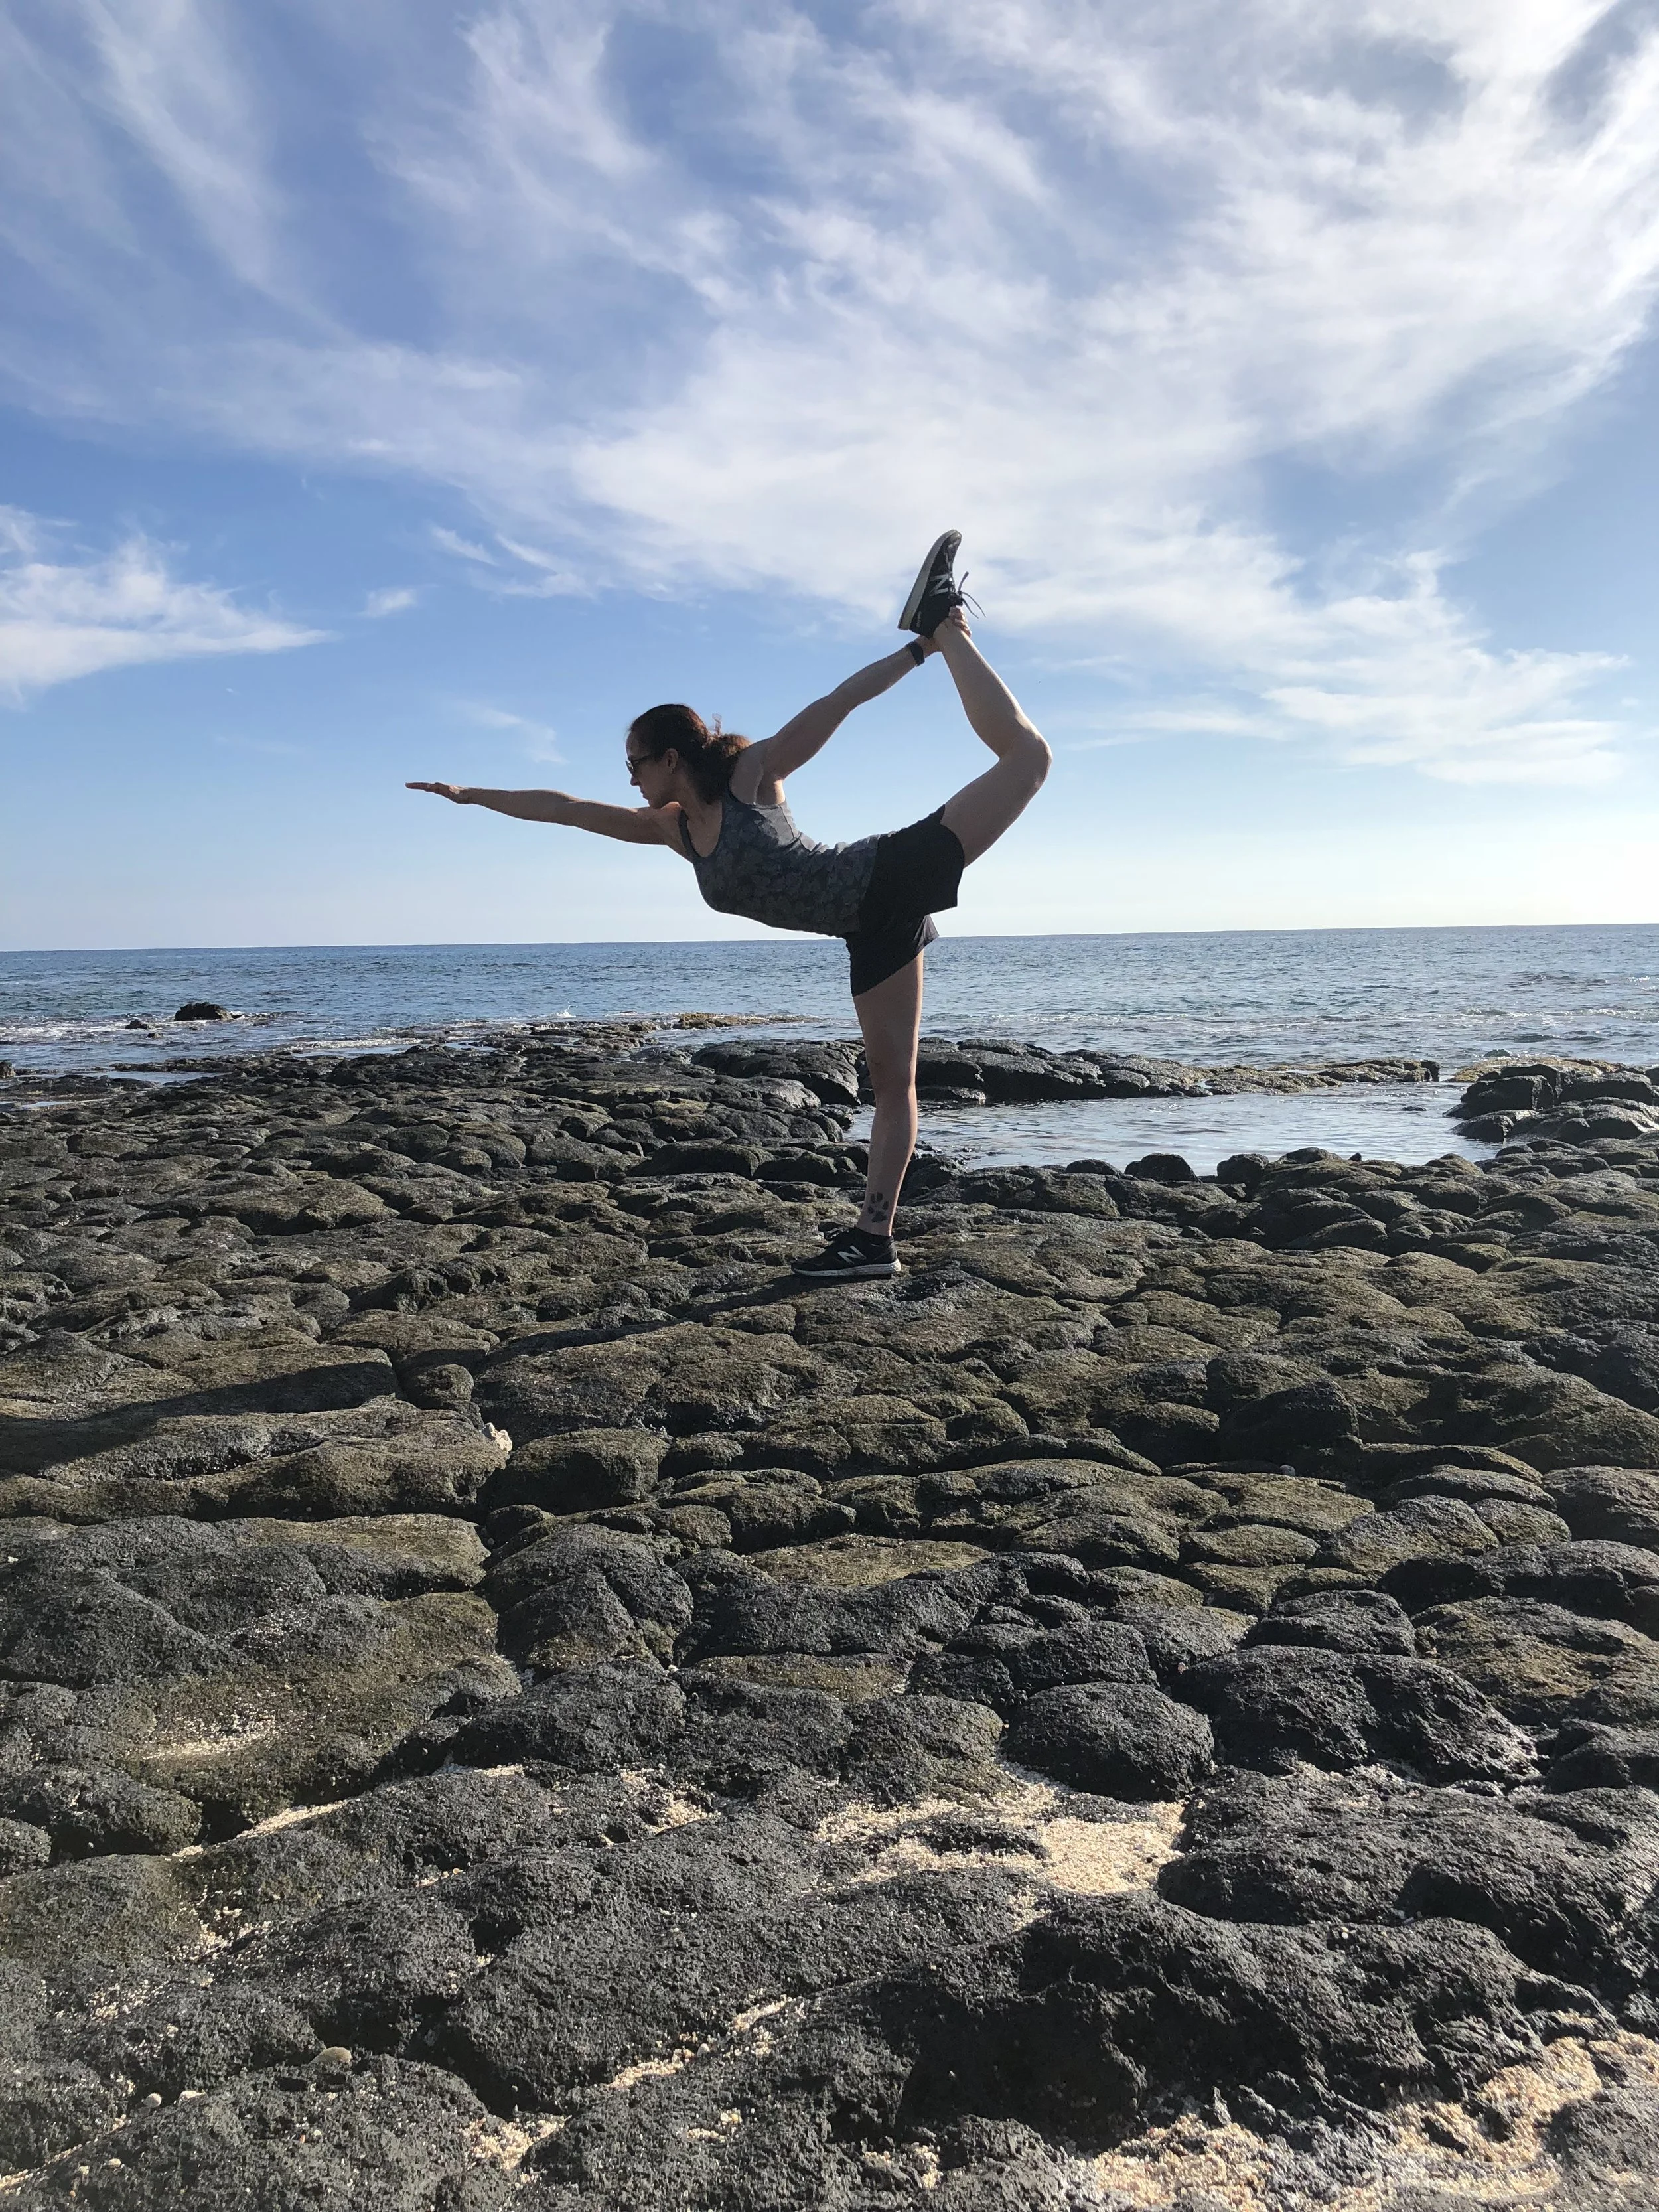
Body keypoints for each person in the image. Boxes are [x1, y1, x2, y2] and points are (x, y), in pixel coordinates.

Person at [409, 534, 1050, 1280]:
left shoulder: (751, 775)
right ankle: (873, 1241)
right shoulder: (673, 830)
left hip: (887, 873)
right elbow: (562, 808)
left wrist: (920, 652)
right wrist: (469, 796)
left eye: (635, 766)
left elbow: (836, 704)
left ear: (670, 758)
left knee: (1029, 759)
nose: (630, 782)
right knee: (892, 1088)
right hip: (868, 926)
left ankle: (946, 626)